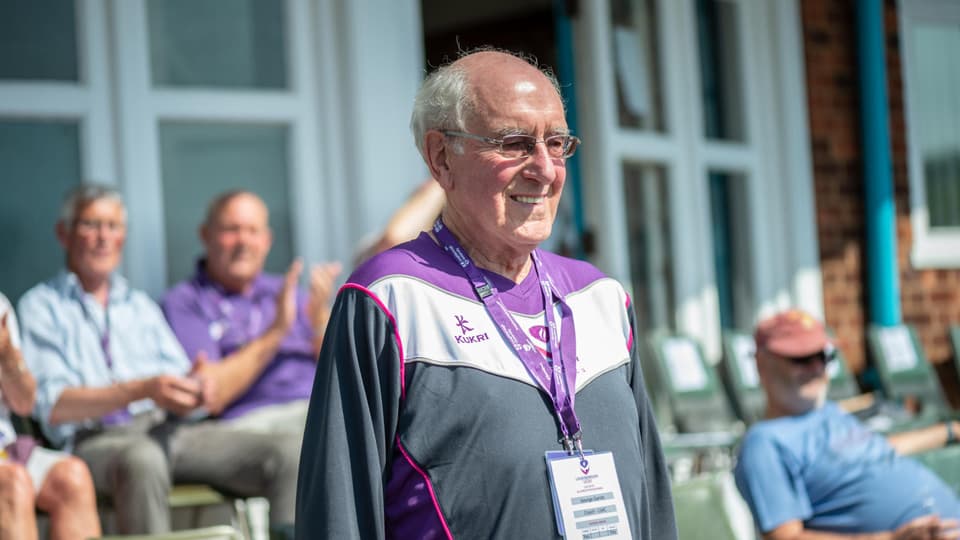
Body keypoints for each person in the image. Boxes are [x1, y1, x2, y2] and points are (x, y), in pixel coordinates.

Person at [296, 49, 677, 539]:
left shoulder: (600, 297)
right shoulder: (388, 298)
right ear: (441, 157)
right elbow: (337, 509)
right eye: (515, 143)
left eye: (556, 143)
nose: (545, 169)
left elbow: (654, 498)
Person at [17, 184, 299, 536]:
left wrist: (195, 387)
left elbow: (178, 386)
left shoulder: (139, 305)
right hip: (95, 440)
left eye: (113, 227)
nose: (103, 237)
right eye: (91, 225)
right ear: (64, 233)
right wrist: (140, 390)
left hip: (168, 431)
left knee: (288, 453)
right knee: (143, 459)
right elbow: (52, 406)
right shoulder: (41, 307)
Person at [734, 309, 960, 539]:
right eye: (801, 359)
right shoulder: (764, 443)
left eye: (823, 356)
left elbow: (877, 449)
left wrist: (950, 430)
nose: (816, 368)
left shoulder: (830, 412)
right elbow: (785, 537)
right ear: (762, 364)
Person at [161, 191, 341, 435]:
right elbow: (212, 394)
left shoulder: (287, 290)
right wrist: (275, 333)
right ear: (206, 235)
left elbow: (341, 375)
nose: (243, 241)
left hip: (316, 408)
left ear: (267, 240)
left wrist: (319, 318)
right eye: (231, 230)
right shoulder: (185, 301)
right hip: (250, 425)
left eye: (253, 231)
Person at [0, 292, 100, 540]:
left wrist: (7, 353)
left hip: (5, 447)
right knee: (14, 483)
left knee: (72, 478)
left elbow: (24, 404)